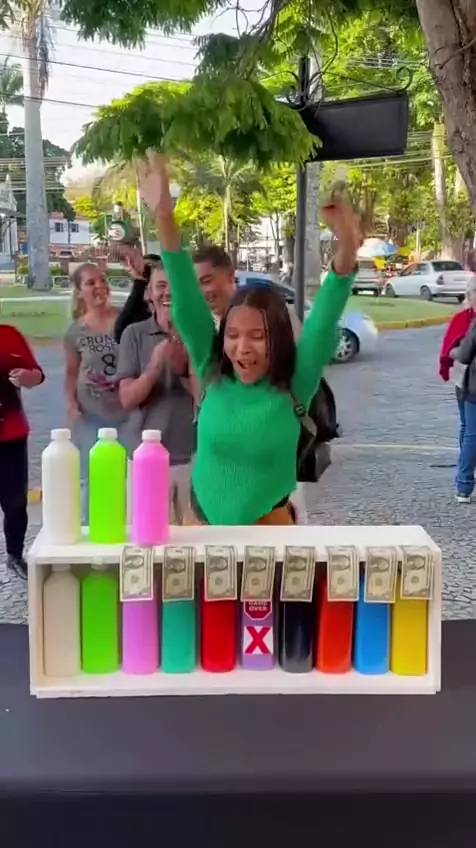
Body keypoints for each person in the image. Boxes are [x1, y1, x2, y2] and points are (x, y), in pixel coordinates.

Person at [137, 152, 359, 525]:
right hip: (202, 527)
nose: (242, 348)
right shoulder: (211, 367)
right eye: (233, 335)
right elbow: (186, 294)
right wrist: (163, 215)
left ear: (278, 339)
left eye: (258, 336)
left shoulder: (296, 381)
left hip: (270, 533)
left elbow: (324, 316)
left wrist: (348, 246)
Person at [116, 260, 196, 522]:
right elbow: (127, 399)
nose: (168, 292)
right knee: (149, 538)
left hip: (194, 459)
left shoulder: (200, 335)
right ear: (149, 293)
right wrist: (153, 368)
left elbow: (208, 400)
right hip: (145, 458)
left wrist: (183, 370)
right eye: (161, 286)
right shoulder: (134, 334)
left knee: (196, 541)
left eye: (175, 286)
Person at [64, 263, 127, 517]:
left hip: (128, 414)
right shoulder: (75, 331)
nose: (100, 286)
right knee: (93, 479)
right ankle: (91, 531)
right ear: (79, 292)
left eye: (103, 280)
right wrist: (72, 405)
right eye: (91, 283)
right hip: (92, 417)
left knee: (128, 478)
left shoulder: (126, 320)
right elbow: (71, 373)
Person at [0, 323, 44, 578]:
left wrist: (28, 377)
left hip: (11, 433)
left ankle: (14, 555)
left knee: (15, 502)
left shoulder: (10, 335)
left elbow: (37, 375)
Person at [439, 278, 476, 502]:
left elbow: (461, 353)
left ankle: (464, 483)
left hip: (471, 383)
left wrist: (455, 353)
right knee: (467, 428)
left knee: (471, 432)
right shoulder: (462, 319)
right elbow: (451, 345)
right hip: (464, 381)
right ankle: (466, 476)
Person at [112, 245, 161, 342]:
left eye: (150, 268)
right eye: (145, 271)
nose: (148, 273)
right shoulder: (138, 304)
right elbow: (119, 333)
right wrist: (139, 282)